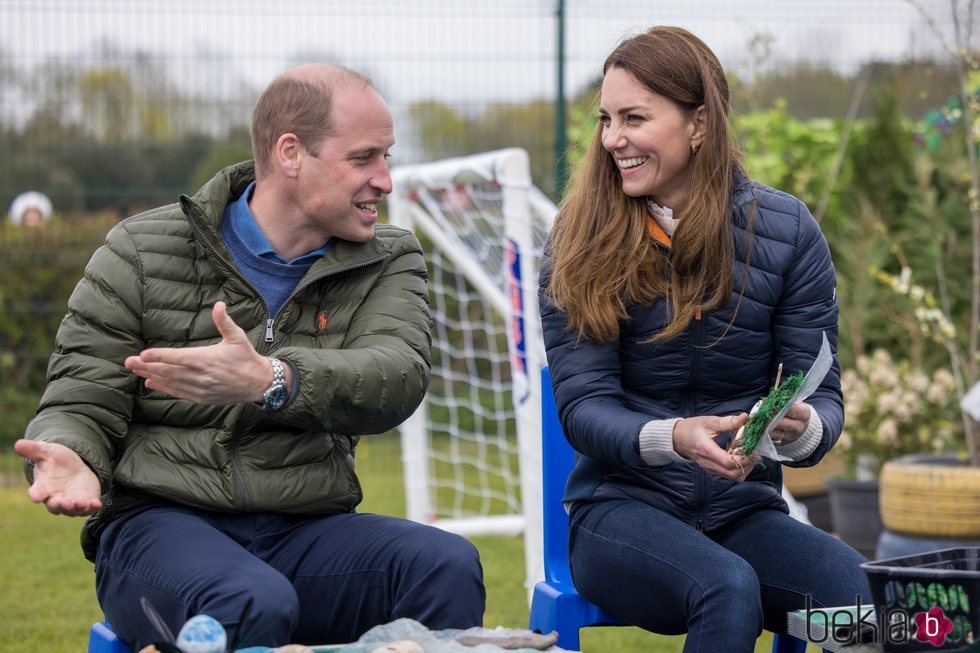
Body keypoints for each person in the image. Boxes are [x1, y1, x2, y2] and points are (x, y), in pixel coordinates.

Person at [14, 64, 485, 649]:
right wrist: (67, 452)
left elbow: (396, 376)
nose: (385, 180)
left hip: (308, 530)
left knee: (445, 565)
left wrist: (274, 379)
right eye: (364, 158)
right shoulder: (138, 250)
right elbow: (79, 398)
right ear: (291, 153)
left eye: (387, 157)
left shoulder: (388, 258)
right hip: (159, 528)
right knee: (252, 599)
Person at [539, 26, 870, 652]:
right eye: (606, 119)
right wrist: (675, 440)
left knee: (874, 608)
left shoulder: (788, 229)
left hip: (743, 512)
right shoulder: (578, 240)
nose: (612, 139)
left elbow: (825, 396)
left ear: (698, 124)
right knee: (727, 587)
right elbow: (583, 410)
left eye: (634, 118)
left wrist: (799, 428)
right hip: (618, 514)